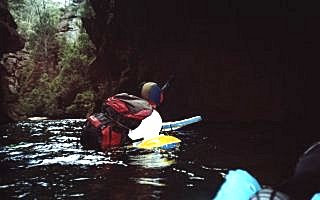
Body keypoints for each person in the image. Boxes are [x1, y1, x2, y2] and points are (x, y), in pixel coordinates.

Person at [80, 81, 165, 151]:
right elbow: (146, 140)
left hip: (94, 135)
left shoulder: (130, 103)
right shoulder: (153, 115)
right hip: (114, 147)